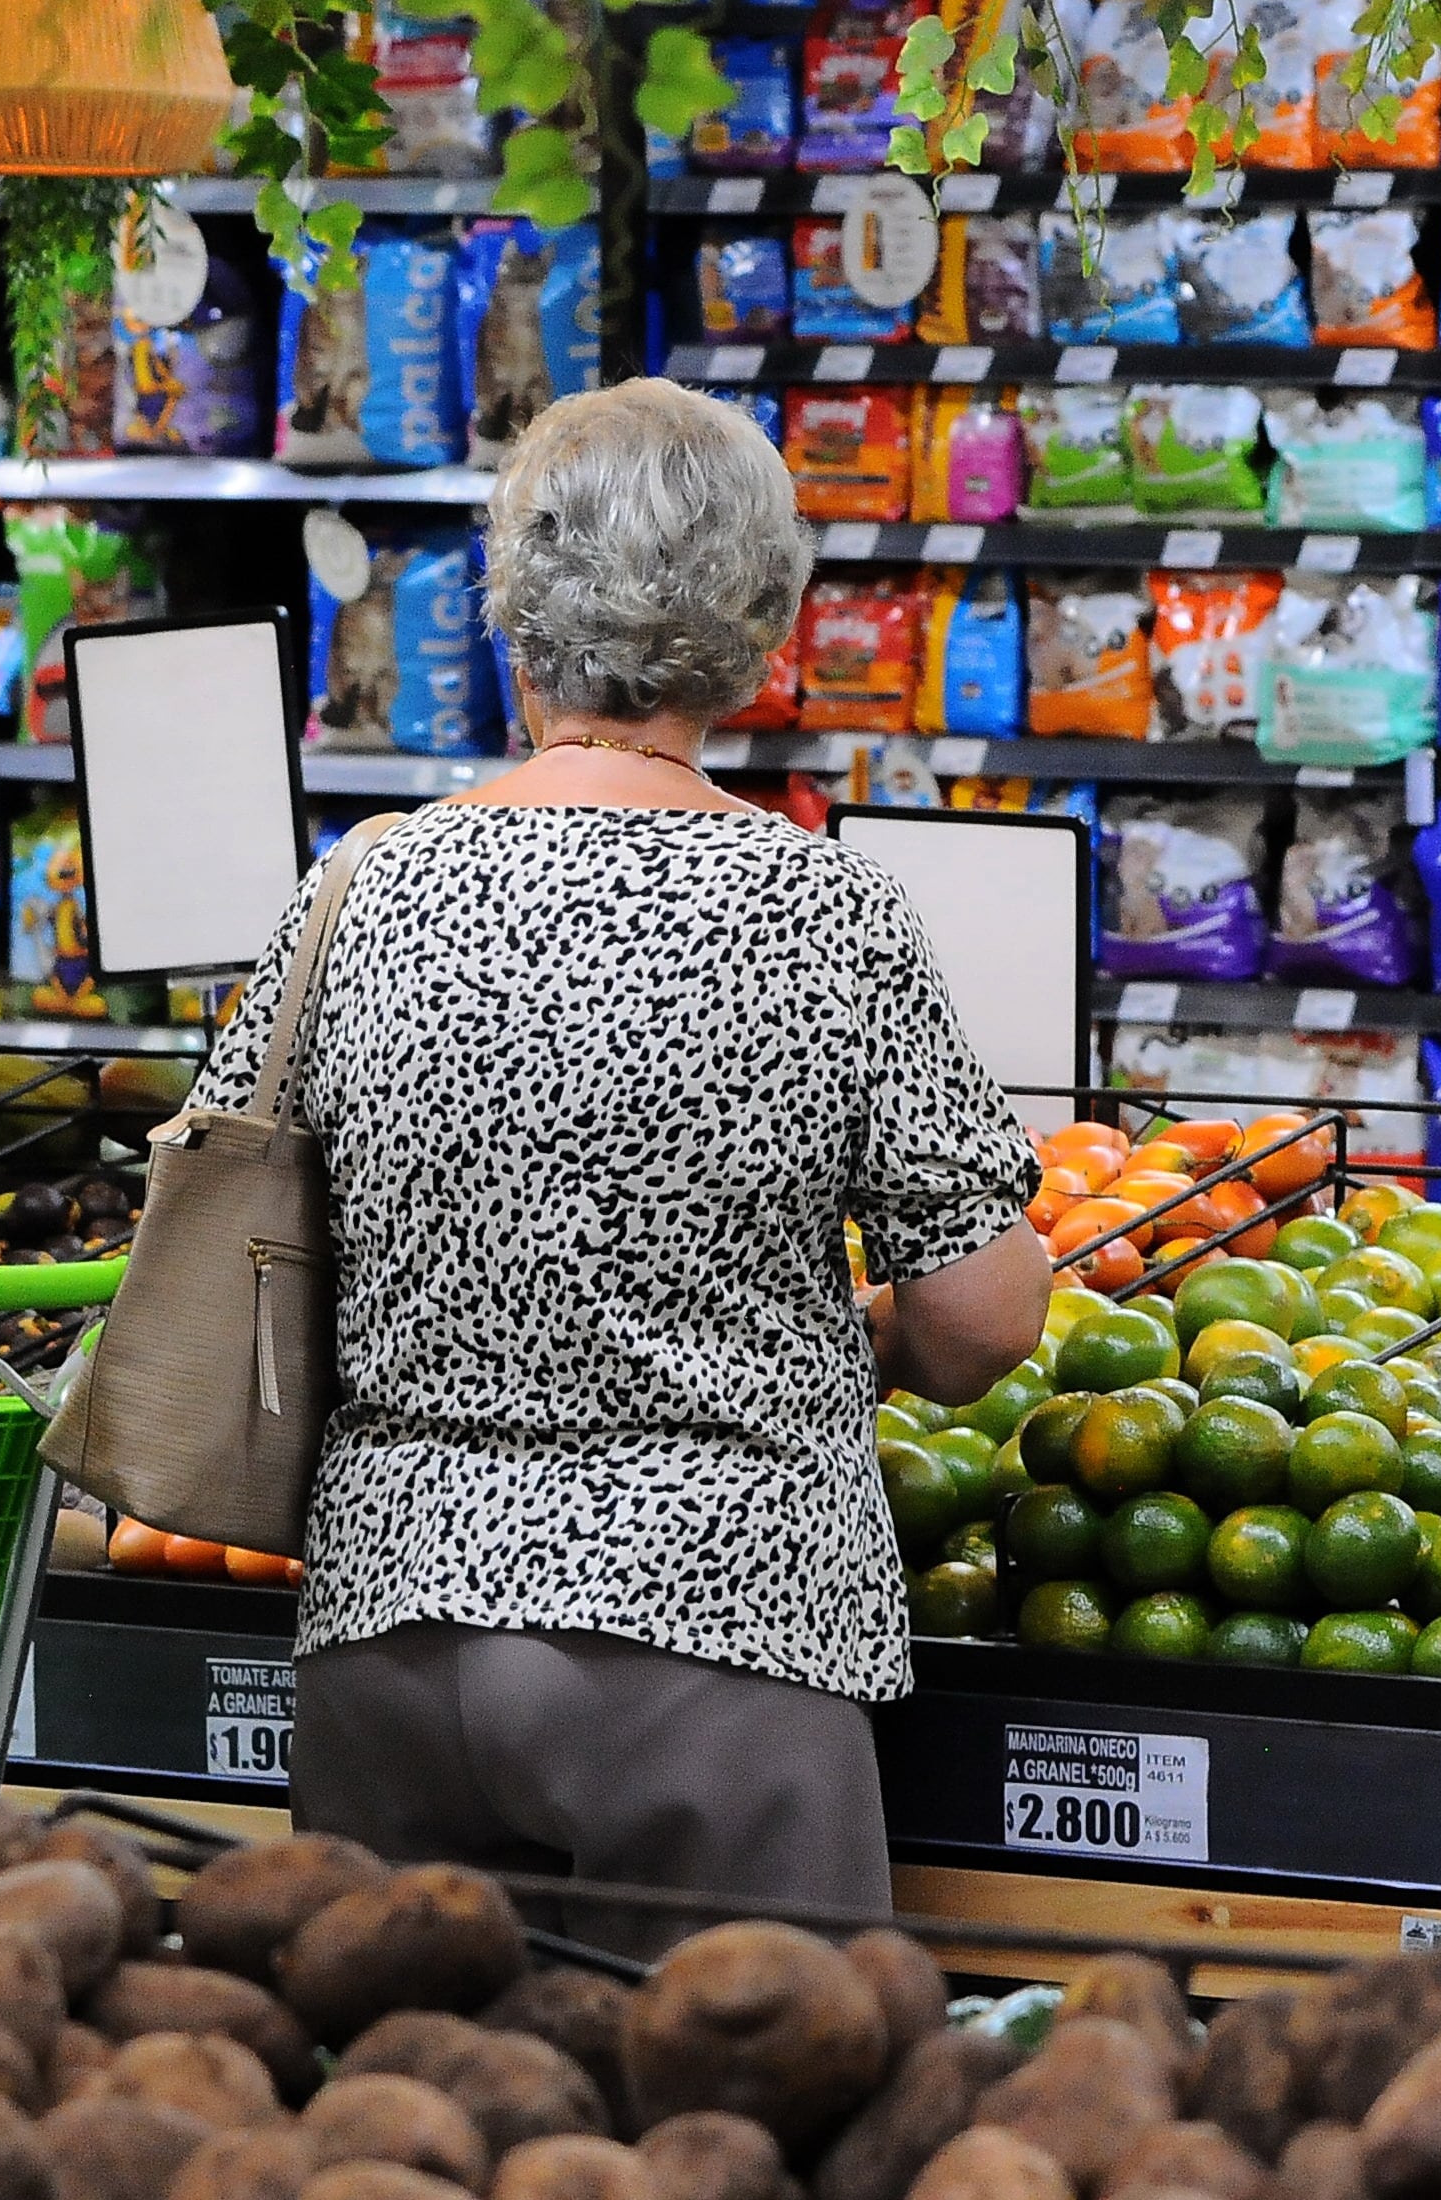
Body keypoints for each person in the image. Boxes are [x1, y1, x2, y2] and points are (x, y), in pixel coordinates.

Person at [189, 377, 1051, 1943]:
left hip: (388, 1627)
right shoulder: (818, 909)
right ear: (760, 626)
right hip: (718, 1645)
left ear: (513, 609)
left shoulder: (359, 887)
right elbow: (983, 1317)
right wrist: (875, 1340)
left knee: (414, 2130)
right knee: (730, 2125)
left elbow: (250, 1211)